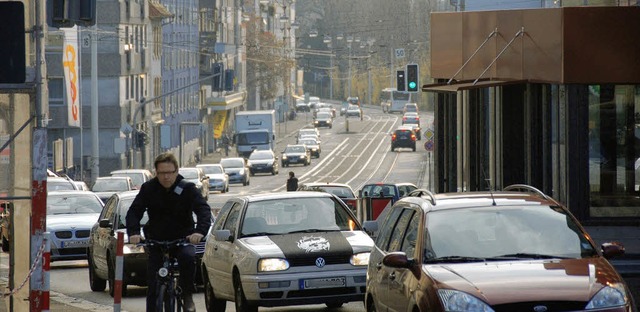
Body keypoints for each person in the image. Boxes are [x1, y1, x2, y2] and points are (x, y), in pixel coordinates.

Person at [126, 152, 211, 312]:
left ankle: (187, 296)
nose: (166, 177)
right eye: (162, 173)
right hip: (156, 241)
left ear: (176, 171)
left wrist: (199, 232)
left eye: (169, 173)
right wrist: (134, 233)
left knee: (187, 258)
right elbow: (134, 211)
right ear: (156, 173)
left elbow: (203, 210)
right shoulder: (149, 188)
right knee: (153, 282)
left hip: (182, 239)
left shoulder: (187, 188)